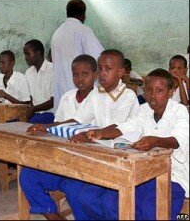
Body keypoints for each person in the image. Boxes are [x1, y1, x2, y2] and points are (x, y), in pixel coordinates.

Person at [77, 68, 189, 220]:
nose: (152, 96)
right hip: (146, 173)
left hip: (174, 177)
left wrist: (154, 140)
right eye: (148, 90)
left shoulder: (180, 111)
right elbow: (124, 128)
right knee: (110, 203)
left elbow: (176, 141)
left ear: (170, 92)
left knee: (151, 209)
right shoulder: (144, 110)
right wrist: (100, 133)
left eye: (159, 90)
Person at [20, 54, 98, 220]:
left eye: (85, 74)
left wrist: (46, 126)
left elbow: (76, 122)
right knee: (28, 176)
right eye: (75, 74)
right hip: (59, 160)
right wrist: (46, 131)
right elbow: (56, 130)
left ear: (95, 75)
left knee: (76, 192)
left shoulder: (99, 99)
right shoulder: (67, 97)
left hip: (83, 165)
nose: (80, 79)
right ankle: (53, 215)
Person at [51, 0, 104, 110]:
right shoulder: (83, 30)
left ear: (67, 13)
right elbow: (100, 58)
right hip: (80, 92)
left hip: (62, 93)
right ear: (83, 15)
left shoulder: (56, 33)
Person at [24, 39, 54, 124]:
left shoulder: (52, 69)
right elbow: (29, 98)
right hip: (35, 114)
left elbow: (53, 101)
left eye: (28, 54)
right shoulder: (28, 72)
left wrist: (34, 109)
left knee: (29, 126)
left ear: (38, 53)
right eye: (25, 54)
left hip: (51, 113)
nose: (26, 57)